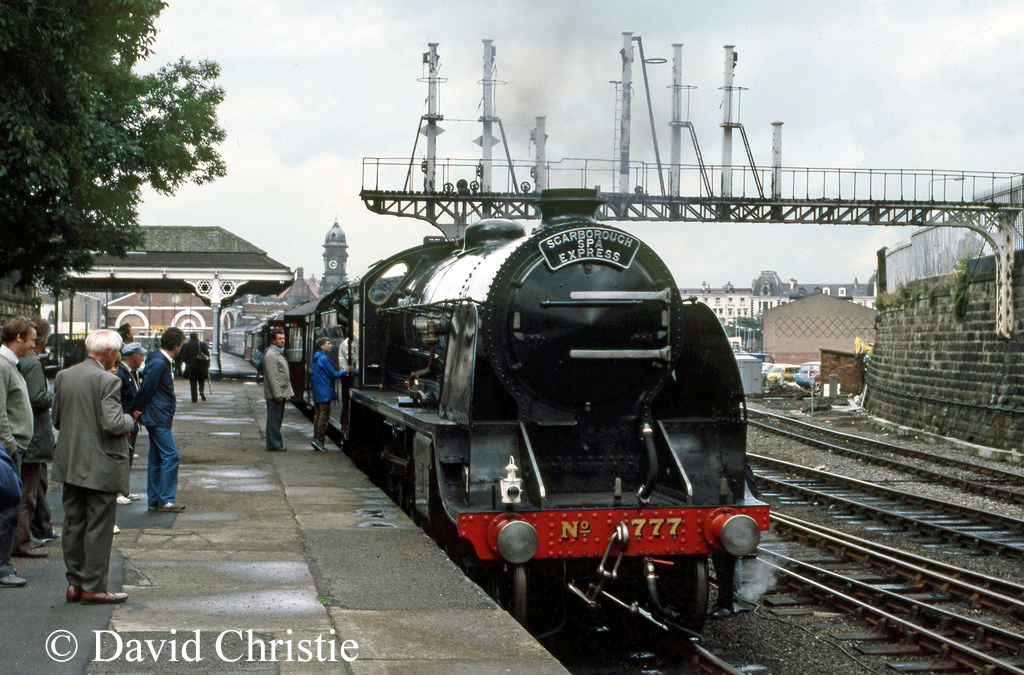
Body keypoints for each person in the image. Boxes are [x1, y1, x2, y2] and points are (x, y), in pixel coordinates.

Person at [52, 329, 134, 604]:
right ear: (110, 353)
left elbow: (57, 419)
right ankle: (94, 586)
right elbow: (112, 423)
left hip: (70, 462)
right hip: (100, 464)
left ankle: (74, 583)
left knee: (73, 523)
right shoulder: (107, 380)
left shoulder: (64, 375)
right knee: (98, 527)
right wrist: (130, 420)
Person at [13, 317, 55, 558]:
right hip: (32, 435)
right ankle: (23, 541)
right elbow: (38, 398)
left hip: (21, 435)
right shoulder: (32, 364)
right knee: (28, 492)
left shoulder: (15, 362)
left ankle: (31, 533)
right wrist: (54, 396)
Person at [132, 327, 186, 512]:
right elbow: (147, 388)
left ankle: (155, 499)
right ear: (177, 346)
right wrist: (137, 408)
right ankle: (166, 499)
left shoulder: (158, 360)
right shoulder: (160, 363)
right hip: (158, 416)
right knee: (171, 456)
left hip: (157, 415)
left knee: (156, 458)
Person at [0, 316, 36, 587]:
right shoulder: (3, 366)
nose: (34, 346)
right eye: (31, 339)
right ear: (19, 338)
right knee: (9, 507)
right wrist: (11, 445)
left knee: (12, 506)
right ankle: (3, 567)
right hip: (9, 449)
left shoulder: (11, 365)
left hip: (16, 446)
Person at [116, 342, 146, 504]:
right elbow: (117, 399)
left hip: (132, 422)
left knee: (128, 457)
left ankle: (125, 489)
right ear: (134, 357)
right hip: (125, 421)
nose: (142, 359)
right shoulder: (120, 374)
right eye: (141, 356)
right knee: (122, 456)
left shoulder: (131, 373)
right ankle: (117, 491)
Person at [310, 337, 347, 452]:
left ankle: (316, 438)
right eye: (328, 343)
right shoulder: (324, 359)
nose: (330, 345)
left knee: (318, 415)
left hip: (318, 390)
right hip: (325, 390)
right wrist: (347, 371)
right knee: (324, 416)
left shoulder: (317, 357)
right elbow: (333, 374)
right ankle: (319, 440)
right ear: (322, 346)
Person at [263, 330, 293, 452]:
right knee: (274, 419)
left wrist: (288, 392)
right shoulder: (271, 355)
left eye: (283, 338)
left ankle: (274, 443)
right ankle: (274, 444)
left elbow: (284, 375)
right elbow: (272, 377)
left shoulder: (278, 354)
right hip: (275, 394)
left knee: (277, 419)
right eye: (280, 339)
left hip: (280, 392)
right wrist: (277, 394)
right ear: (273, 340)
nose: (282, 341)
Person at [179, 332, 210, 402]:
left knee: (192, 382)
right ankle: (201, 391)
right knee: (201, 380)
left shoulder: (186, 345)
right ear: (197, 336)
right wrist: (207, 365)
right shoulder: (202, 344)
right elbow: (207, 356)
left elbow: (183, 356)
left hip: (191, 366)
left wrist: (187, 362)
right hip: (201, 366)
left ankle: (194, 398)